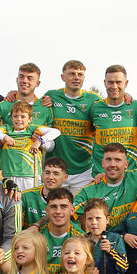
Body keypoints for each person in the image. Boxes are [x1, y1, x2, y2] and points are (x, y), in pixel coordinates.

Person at [72, 143, 137, 230]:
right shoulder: (89, 191)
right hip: (106, 242)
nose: (112, 165)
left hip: (136, 236)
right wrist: (84, 236)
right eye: (108, 160)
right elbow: (66, 214)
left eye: (118, 160)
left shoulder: (136, 176)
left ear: (126, 164)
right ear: (102, 163)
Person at [45, 60, 102, 192]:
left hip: (84, 169)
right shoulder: (52, 96)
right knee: (55, 210)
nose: (76, 77)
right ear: (63, 77)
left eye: (80, 74)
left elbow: (111, 106)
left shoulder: (94, 99)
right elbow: (31, 105)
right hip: (56, 169)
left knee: (81, 211)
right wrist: (13, 94)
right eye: (72, 74)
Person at [0, 100, 60, 190]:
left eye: (23, 116)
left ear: (30, 119)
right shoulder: (7, 129)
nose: (19, 119)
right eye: (15, 116)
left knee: (28, 202)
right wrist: (4, 137)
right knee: (9, 202)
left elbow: (56, 132)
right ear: (11, 118)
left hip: (30, 175)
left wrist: (39, 141)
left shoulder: (33, 129)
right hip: (7, 175)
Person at [88, 65, 137, 173]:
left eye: (119, 82)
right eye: (110, 82)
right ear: (105, 83)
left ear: (126, 83)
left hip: (129, 174)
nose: (114, 86)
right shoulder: (95, 108)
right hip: (100, 175)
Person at [37, 188, 83, 274]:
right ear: (47, 210)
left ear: (72, 211)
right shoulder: (38, 236)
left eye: (63, 207)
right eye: (53, 207)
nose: (58, 211)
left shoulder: (81, 238)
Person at [0, 62, 52, 130]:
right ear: (17, 80)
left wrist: (41, 139)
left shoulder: (45, 108)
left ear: (37, 83)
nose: (24, 81)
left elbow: (51, 136)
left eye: (30, 78)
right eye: (21, 77)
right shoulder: (2, 107)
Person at [20, 157, 68, 228]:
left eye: (56, 174)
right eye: (47, 173)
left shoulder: (68, 201)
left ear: (65, 177)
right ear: (42, 175)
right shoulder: (25, 196)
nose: (50, 177)